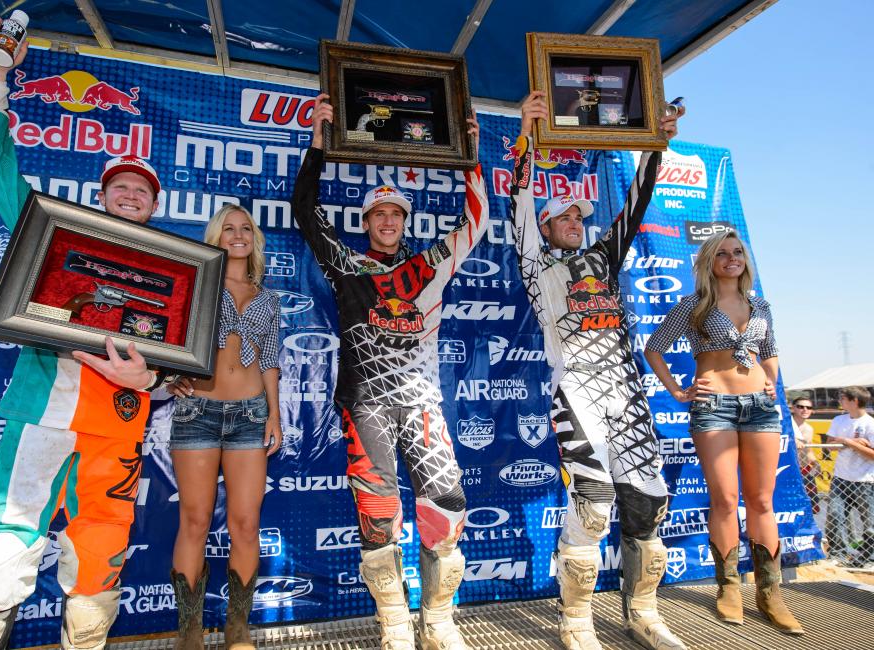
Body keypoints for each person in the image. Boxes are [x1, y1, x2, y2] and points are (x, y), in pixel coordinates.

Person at [0, 20, 168, 650]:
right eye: (120, 187)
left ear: (153, 207)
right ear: (101, 197)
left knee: (101, 551)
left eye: (141, 192)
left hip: (122, 417)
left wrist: (151, 376)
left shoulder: (174, 270)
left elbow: (183, 348)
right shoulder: (55, 236)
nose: (130, 196)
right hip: (44, 410)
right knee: (1, 547)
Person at [291, 94, 488, 650]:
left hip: (422, 401)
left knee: (446, 510)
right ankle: (395, 625)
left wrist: (472, 154)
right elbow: (306, 211)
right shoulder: (347, 264)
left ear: (406, 220)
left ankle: (439, 622)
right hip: (367, 403)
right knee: (377, 519)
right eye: (378, 213)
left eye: (396, 213)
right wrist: (318, 142)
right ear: (366, 221)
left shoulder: (430, 264)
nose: (387, 220)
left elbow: (477, 221)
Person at [509, 91, 685, 650]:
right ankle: (576, 620)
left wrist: (656, 143)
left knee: (648, 502)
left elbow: (636, 201)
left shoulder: (603, 258)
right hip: (577, 394)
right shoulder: (538, 268)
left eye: (577, 217)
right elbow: (517, 207)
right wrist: (527, 138)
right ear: (546, 226)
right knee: (592, 502)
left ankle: (644, 612)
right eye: (562, 217)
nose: (573, 222)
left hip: (626, 393)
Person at [644, 230, 803, 634]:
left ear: (745, 261)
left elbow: (770, 350)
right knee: (726, 500)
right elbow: (654, 347)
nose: (732, 258)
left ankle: (771, 595)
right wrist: (679, 390)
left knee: (762, 501)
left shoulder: (761, 305)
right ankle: (729, 589)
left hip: (761, 410)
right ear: (709, 262)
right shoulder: (695, 305)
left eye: (738, 252)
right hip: (713, 409)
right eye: (723, 253)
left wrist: (770, 381)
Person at [165, 205, 282, 649]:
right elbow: (166, 335)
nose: (238, 235)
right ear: (215, 237)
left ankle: (238, 629)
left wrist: (273, 413)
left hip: (250, 416)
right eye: (228, 228)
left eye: (245, 228)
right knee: (194, 521)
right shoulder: (195, 284)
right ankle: (189, 632)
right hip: (199, 413)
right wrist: (167, 374)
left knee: (246, 524)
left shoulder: (267, 297)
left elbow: (269, 360)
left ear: (254, 237)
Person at [823, 386, 874, 568]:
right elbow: (829, 445)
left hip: (866, 480)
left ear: (855, 401)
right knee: (836, 516)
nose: (840, 401)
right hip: (841, 477)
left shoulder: (870, 424)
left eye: (843, 398)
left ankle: (869, 558)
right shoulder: (839, 420)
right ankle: (838, 553)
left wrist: (847, 442)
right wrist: (851, 442)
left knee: (869, 522)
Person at [790, 397, 820, 514]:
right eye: (801, 407)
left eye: (808, 407)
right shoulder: (785, 425)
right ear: (793, 408)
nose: (805, 410)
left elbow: (808, 450)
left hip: (804, 469)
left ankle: (808, 531)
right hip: (788, 470)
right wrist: (792, 440)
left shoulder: (809, 428)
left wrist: (815, 463)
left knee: (811, 507)